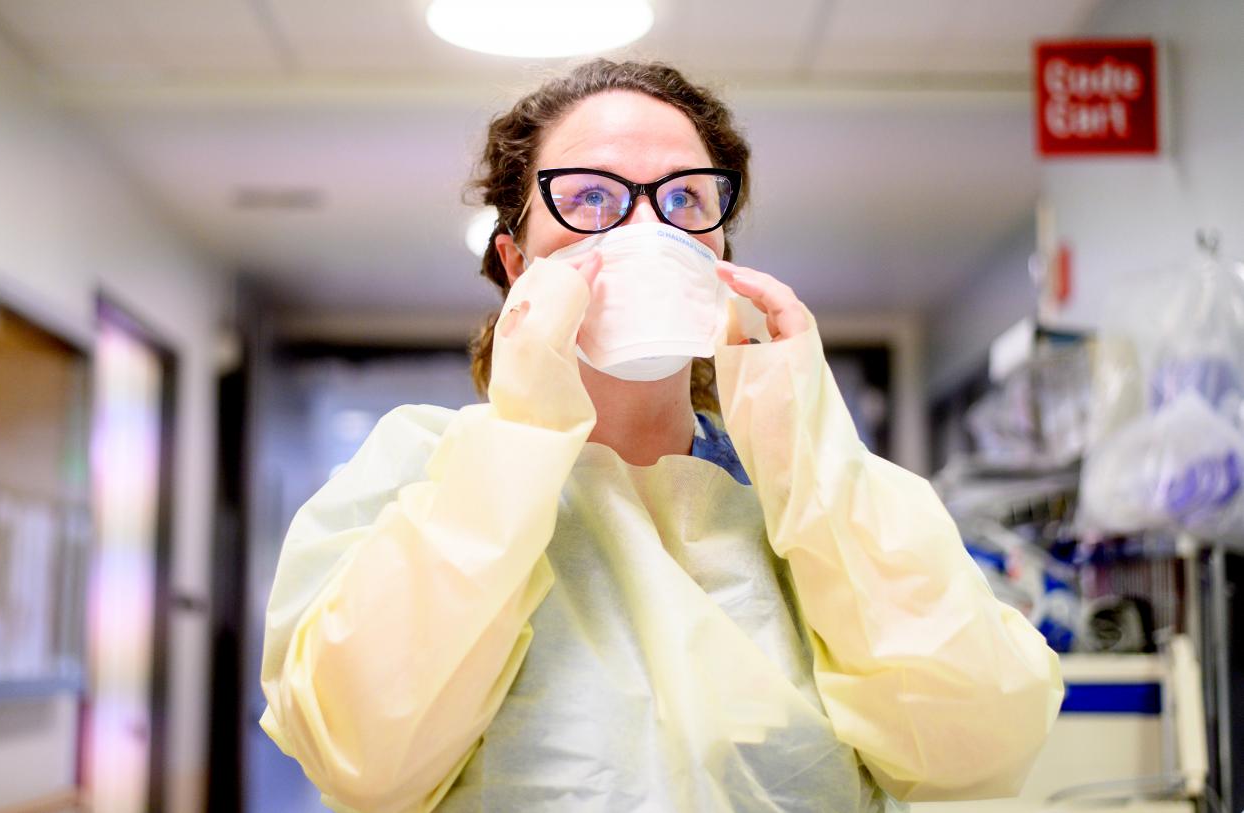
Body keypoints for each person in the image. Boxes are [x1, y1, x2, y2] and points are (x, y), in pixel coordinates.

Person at [259, 59, 1063, 813]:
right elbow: (360, 753)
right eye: (589, 198)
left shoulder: (809, 494)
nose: (643, 226)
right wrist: (523, 436)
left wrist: (808, 460)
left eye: (682, 200)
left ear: (716, 251)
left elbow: (976, 746)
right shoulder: (423, 473)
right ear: (514, 260)